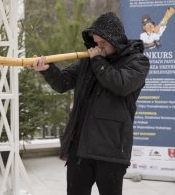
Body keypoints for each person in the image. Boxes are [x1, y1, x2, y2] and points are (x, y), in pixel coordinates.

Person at [31, 12, 150, 195]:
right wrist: (48, 70)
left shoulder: (137, 61)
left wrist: (98, 61)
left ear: (116, 39)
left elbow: (120, 84)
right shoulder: (88, 61)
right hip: (80, 148)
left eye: (103, 43)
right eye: (95, 42)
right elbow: (63, 83)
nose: (98, 47)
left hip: (111, 150)